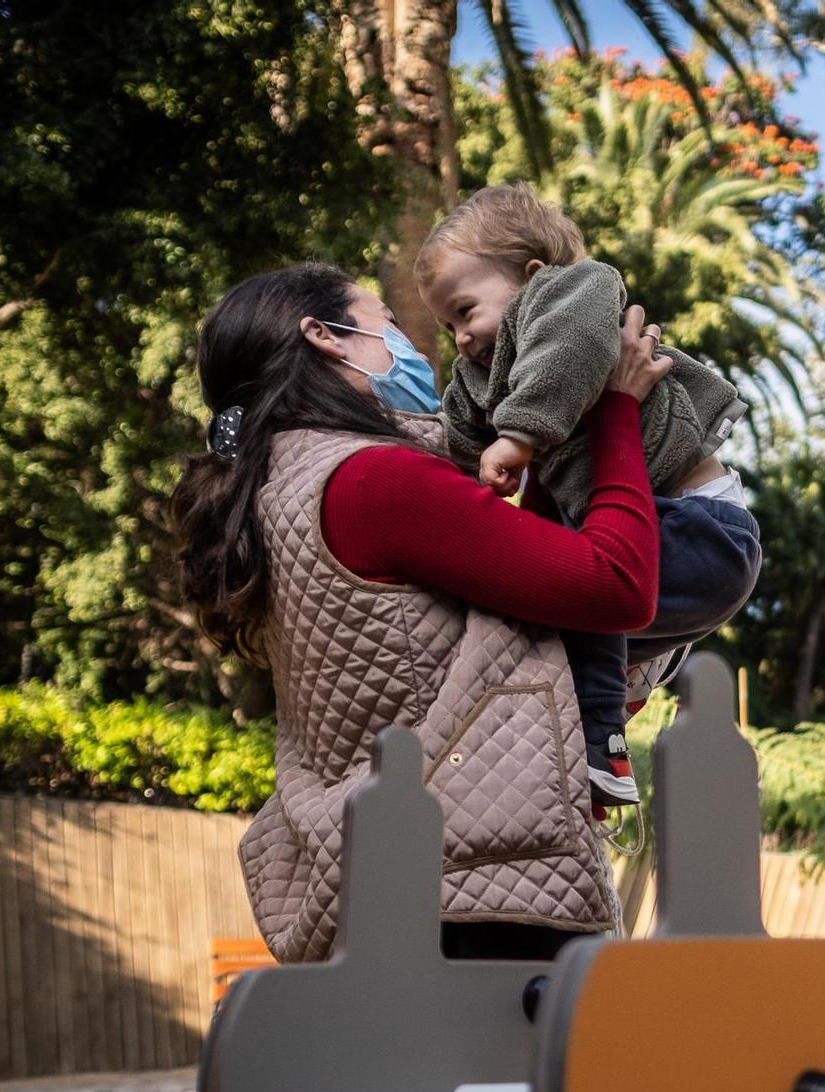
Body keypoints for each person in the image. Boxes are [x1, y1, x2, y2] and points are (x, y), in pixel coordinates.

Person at [170, 261, 672, 964]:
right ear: (325, 337)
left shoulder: (273, 494)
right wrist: (615, 407)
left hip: (385, 876)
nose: (411, 347)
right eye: (391, 326)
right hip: (479, 885)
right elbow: (615, 582)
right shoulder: (372, 479)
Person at [414, 184, 762, 809]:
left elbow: (568, 354)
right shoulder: (483, 369)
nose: (461, 339)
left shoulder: (575, 294)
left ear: (531, 277)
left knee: (578, 581)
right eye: (448, 326)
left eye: (465, 312)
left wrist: (517, 439)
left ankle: (605, 737)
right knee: (557, 614)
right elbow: (457, 433)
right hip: (663, 552)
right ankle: (606, 731)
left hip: (700, 527)